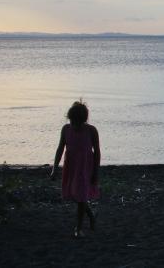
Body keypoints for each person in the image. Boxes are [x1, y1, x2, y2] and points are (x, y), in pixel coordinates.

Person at [49, 101, 101, 238]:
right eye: (71, 120)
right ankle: (90, 214)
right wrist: (54, 168)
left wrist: (95, 172)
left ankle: (78, 228)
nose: (73, 124)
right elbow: (60, 148)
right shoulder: (66, 129)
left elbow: (97, 152)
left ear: (82, 120)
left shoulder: (91, 131)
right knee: (75, 195)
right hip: (71, 167)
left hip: (85, 168)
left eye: (75, 121)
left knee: (81, 195)